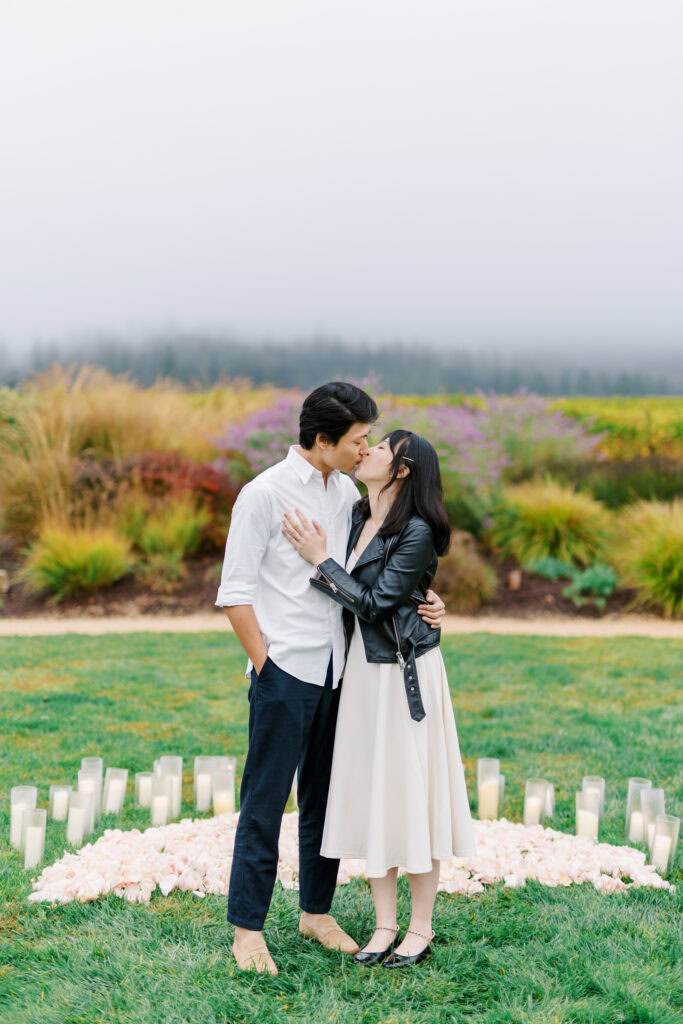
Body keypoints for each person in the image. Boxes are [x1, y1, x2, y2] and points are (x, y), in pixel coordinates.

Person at [215, 383, 447, 975]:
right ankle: (247, 929)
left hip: (341, 670)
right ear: (323, 440)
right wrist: (266, 666)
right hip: (285, 669)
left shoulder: (347, 492)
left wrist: (426, 599)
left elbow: (378, 568)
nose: (364, 448)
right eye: (357, 440)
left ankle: (316, 912)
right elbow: (235, 594)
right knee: (265, 803)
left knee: (323, 799)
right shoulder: (262, 495)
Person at [281, 428, 476, 969]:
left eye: (382, 448)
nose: (367, 451)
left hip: (402, 672)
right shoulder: (353, 515)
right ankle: (383, 924)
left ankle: (419, 927)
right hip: (361, 677)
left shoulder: (415, 531)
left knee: (413, 793)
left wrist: (322, 561)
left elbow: (375, 603)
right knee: (375, 794)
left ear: (404, 469)